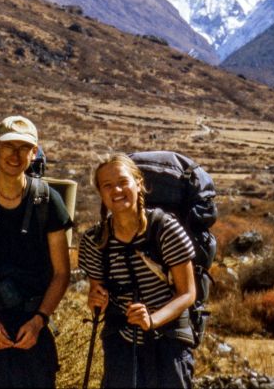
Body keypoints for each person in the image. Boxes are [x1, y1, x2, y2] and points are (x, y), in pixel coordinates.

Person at [0, 115, 72, 388]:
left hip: (31, 326)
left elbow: (61, 272)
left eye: (24, 148)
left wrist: (39, 320)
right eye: (9, 146)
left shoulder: (47, 201)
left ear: (34, 152)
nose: (15, 155)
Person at [78, 154, 196, 388]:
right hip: (121, 343)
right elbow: (97, 296)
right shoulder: (94, 240)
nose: (117, 190)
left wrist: (151, 320)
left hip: (168, 341)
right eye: (107, 185)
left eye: (123, 182)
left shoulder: (165, 229)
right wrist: (95, 300)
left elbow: (188, 293)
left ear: (139, 183)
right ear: (100, 193)